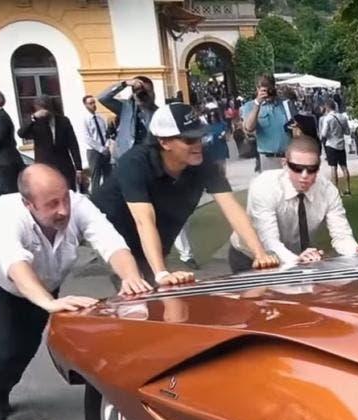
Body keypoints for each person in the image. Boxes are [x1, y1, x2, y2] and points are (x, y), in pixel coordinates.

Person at [0, 164, 152, 420]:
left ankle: (7, 381)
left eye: (65, 199)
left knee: (26, 346)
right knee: (3, 349)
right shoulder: (5, 214)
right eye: (52, 204)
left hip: (44, 283)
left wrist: (130, 277)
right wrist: (48, 303)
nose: (63, 210)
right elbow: (16, 265)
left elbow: (111, 242)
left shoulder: (79, 205)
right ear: (28, 204)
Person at [90, 102, 280, 285]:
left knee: (162, 287)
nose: (198, 145)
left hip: (158, 236)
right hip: (116, 235)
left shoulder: (203, 161)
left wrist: (260, 254)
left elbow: (231, 207)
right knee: (140, 285)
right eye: (189, 140)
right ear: (164, 142)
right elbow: (143, 220)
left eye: (200, 137)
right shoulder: (134, 164)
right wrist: (161, 273)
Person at [229, 135, 358, 272]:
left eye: (311, 169)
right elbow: (269, 241)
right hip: (250, 255)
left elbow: (341, 235)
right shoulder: (264, 186)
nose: (304, 176)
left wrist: (356, 251)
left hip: (298, 257)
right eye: (297, 168)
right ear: (284, 164)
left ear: (318, 167)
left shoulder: (327, 191)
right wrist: (296, 261)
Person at [19, 96, 83, 192]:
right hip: (44, 166)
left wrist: (78, 168)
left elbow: (73, 144)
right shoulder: (35, 122)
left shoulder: (63, 121)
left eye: (46, 107)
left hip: (63, 165)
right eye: (41, 108)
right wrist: (33, 118)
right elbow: (21, 133)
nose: (45, 111)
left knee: (68, 192)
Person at [98, 75, 158, 159]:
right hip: (126, 155)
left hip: (148, 157)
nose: (142, 94)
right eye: (138, 91)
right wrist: (125, 84)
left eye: (147, 91)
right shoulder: (125, 107)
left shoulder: (158, 112)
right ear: (133, 93)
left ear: (153, 92)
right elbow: (102, 98)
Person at [241, 75, 292, 172]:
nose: (268, 93)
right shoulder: (249, 106)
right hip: (267, 157)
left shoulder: (285, 104)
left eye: (270, 89)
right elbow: (249, 128)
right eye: (265, 90)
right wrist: (257, 104)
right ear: (257, 89)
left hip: (288, 156)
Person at [79, 94, 113, 194]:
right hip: (94, 151)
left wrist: (107, 146)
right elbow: (87, 138)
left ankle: (108, 195)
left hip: (105, 149)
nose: (93, 105)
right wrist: (101, 149)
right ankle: (96, 197)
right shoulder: (84, 119)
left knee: (108, 174)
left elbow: (107, 133)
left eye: (94, 102)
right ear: (85, 105)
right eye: (90, 103)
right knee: (96, 176)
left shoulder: (100, 117)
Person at [320, 102, 353, 196]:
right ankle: (348, 189)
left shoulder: (328, 118)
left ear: (327, 108)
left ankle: (336, 190)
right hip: (341, 143)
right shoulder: (342, 117)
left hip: (331, 144)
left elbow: (324, 134)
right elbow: (347, 131)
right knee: (344, 167)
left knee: (333, 168)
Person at [202, 105, 229, 177]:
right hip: (211, 149)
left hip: (221, 147)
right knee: (214, 167)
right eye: (210, 116)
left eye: (213, 116)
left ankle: (223, 178)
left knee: (222, 166)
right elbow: (204, 138)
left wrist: (224, 136)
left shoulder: (222, 124)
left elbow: (227, 136)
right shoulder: (206, 127)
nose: (212, 117)